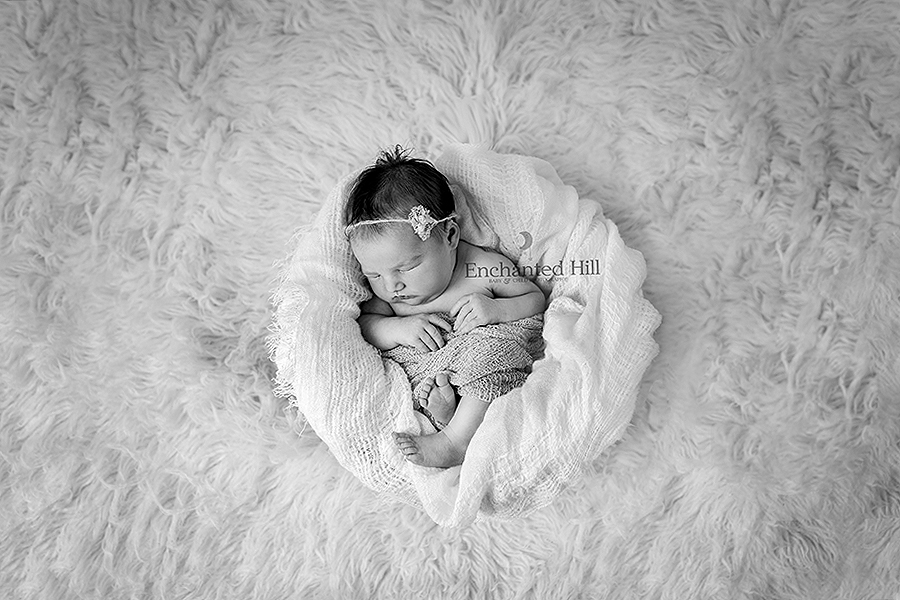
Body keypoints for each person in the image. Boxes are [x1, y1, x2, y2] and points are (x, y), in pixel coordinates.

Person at [344, 146, 546, 468]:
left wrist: (495, 311)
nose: (391, 285)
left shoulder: (482, 266)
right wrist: (396, 328)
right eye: (373, 274)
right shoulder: (385, 294)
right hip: (429, 371)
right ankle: (448, 417)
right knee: (399, 368)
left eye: (407, 268)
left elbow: (535, 300)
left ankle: (456, 441)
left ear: (449, 235)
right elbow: (367, 326)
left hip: (483, 362)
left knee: (493, 344)